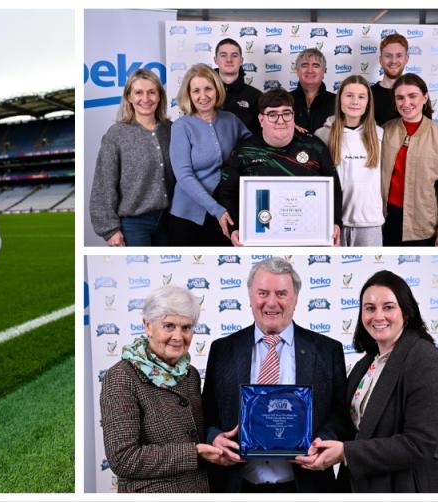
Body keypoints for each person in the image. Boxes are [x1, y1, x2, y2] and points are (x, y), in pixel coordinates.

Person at [295, 270, 438, 492]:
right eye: (370, 308)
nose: (378, 316)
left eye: (388, 307)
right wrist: (319, 442)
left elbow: (420, 444)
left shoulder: (428, 360)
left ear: (406, 312)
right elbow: (354, 427)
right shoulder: (365, 365)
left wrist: (346, 453)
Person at [202, 257, 349, 492]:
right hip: (236, 485)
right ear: (250, 297)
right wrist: (214, 438)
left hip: (305, 486)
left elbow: (340, 415)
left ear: (295, 299)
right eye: (263, 293)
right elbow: (206, 415)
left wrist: (321, 441)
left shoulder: (327, 350)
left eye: (281, 293)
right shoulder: (222, 350)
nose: (271, 302)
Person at [100, 285, 224, 492]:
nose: (178, 336)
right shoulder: (122, 376)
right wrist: (193, 453)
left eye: (186, 327)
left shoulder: (190, 374)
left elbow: (194, 435)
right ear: (148, 325)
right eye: (169, 326)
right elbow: (123, 458)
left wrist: (215, 440)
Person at [215, 88, 343, 246]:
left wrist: (335, 222)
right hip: (260, 237)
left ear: (293, 116)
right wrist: (236, 227)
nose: (280, 120)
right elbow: (227, 192)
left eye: (286, 113)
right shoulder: (244, 151)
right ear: (261, 119)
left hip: (308, 238)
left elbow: (334, 188)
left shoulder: (315, 147)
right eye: (272, 114)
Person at [169, 63, 251, 246]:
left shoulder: (231, 120)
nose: (203, 96)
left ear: (217, 90)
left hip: (224, 209)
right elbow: (184, 176)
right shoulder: (181, 127)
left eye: (208, 89)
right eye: (196, 91)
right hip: (188, 216)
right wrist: (217, 209)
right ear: (188, 95)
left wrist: (285, 127)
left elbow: (254, 145)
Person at [89, 68, 172, 246]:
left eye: (152, 92)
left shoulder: (171, 130)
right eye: (138, 93)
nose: (146, 99)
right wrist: (110, 230)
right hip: (135, 226)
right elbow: (103, 184)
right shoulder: (117, 134)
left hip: (169, 222)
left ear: (159, 96)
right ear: (129, 97)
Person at [381, 73, 438, 246]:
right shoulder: (384, 131)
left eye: (413, 96)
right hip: (383, 224)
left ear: (425, 98)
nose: (406, 103)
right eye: (400, 98)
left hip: (421, 229)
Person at [314, 75, 384, 246]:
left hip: (370, 223)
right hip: (334, 223)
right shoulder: (323, 135)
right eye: (349, 95)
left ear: (368, 102)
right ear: (340, 99)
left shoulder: (380, 134)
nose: (355, 102)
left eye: (361, 97)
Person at [213, 38, 262, 136]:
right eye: (223, 55)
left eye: (234, 55)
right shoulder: (204, 95)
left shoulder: (256, 96)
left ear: (241, 60)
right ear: (215, 60)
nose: (229, 60)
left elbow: (263, 133)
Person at [290, 48, 335, 134]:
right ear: (297, 71)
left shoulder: (337, 102)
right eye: (304, 65)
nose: (310, 70)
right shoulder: (284, 101)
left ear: (324, 71)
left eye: (316, 66)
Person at [371, 34, 409, 126]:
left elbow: (426, 130)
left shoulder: (416, 94)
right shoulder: (368, 94)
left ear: (406, 59)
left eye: (399, 55)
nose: (394, 61)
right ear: (380, 60)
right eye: (388, 56)